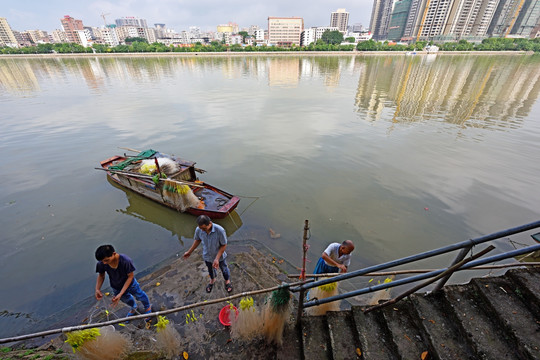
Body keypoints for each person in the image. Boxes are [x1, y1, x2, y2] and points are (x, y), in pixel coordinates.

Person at [95, 244, 152, 319]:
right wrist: (97, 289)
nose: (104, 263)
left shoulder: (125, 261)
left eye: (106, 260)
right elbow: (101, 275)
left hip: (131, 284)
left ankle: (147, 307)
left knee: (140, 295)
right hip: (116, 286)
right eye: (102, 261)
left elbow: (130, 276)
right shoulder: (101, 263)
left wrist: (120, 293)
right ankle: (133, 307)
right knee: (126, 299)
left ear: (114, 254)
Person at [183, 215, 233, 293]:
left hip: (219, 257)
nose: (202, 230)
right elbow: (197, 240)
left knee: (224, 269)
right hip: (207, 256)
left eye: (204, 228)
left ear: (210, 223)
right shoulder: (199, 230)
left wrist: (217, 259)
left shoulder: (220, 230)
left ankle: (227, 281)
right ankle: (212, 280)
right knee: (210, 270)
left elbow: (224, 245)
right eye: (201, 228)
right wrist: (189, 252)